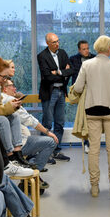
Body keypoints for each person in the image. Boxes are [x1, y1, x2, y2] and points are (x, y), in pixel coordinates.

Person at [73, 35, 110, 197]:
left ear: (96, 48)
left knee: (94, 150)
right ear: (109, 48)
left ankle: (94, 187)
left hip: (92, 111)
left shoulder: (87, 64)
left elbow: (78, 87)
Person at [37, 33, 73, 161]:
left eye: (58, 41)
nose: (57, 44)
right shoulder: (42, 56)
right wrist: (63, 73)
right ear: (48, 43)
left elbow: (71, 71)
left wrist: (58, 72)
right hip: (49, 93)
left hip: (61, 92)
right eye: (54, 42)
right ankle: (43, 153)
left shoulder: (62, 53)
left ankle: (55, 151)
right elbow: (47, 76)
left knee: (60, 123)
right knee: (47, 123)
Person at [70, 40, 96, 154]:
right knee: (83, 119)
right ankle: (86, 142)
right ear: (79, 50)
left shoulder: (95, 58)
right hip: (80, 93)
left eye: (87, 48)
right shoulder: (73, 59)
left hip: (94, 92)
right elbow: (70, 75)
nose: (86, 51)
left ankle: (91, 143)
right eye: (84, 49)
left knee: (92, 119)